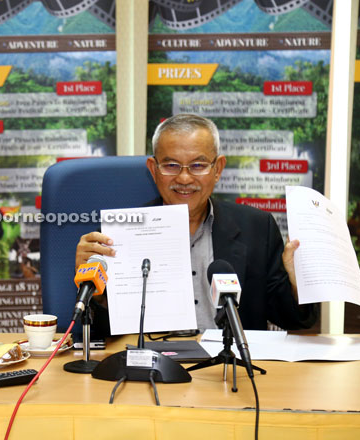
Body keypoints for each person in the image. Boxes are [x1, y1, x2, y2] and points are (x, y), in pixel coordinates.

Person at [76, 114, 317, 334]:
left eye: (198, 165)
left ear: (218, 169)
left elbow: (293, 321)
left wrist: (300, 284)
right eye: (171, 165)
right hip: (151, 367)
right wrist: (94, 291)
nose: (184, 178)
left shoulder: (257, 228)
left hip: (229, 368)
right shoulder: (119, 234)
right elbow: (98, 335)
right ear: (153, 169)